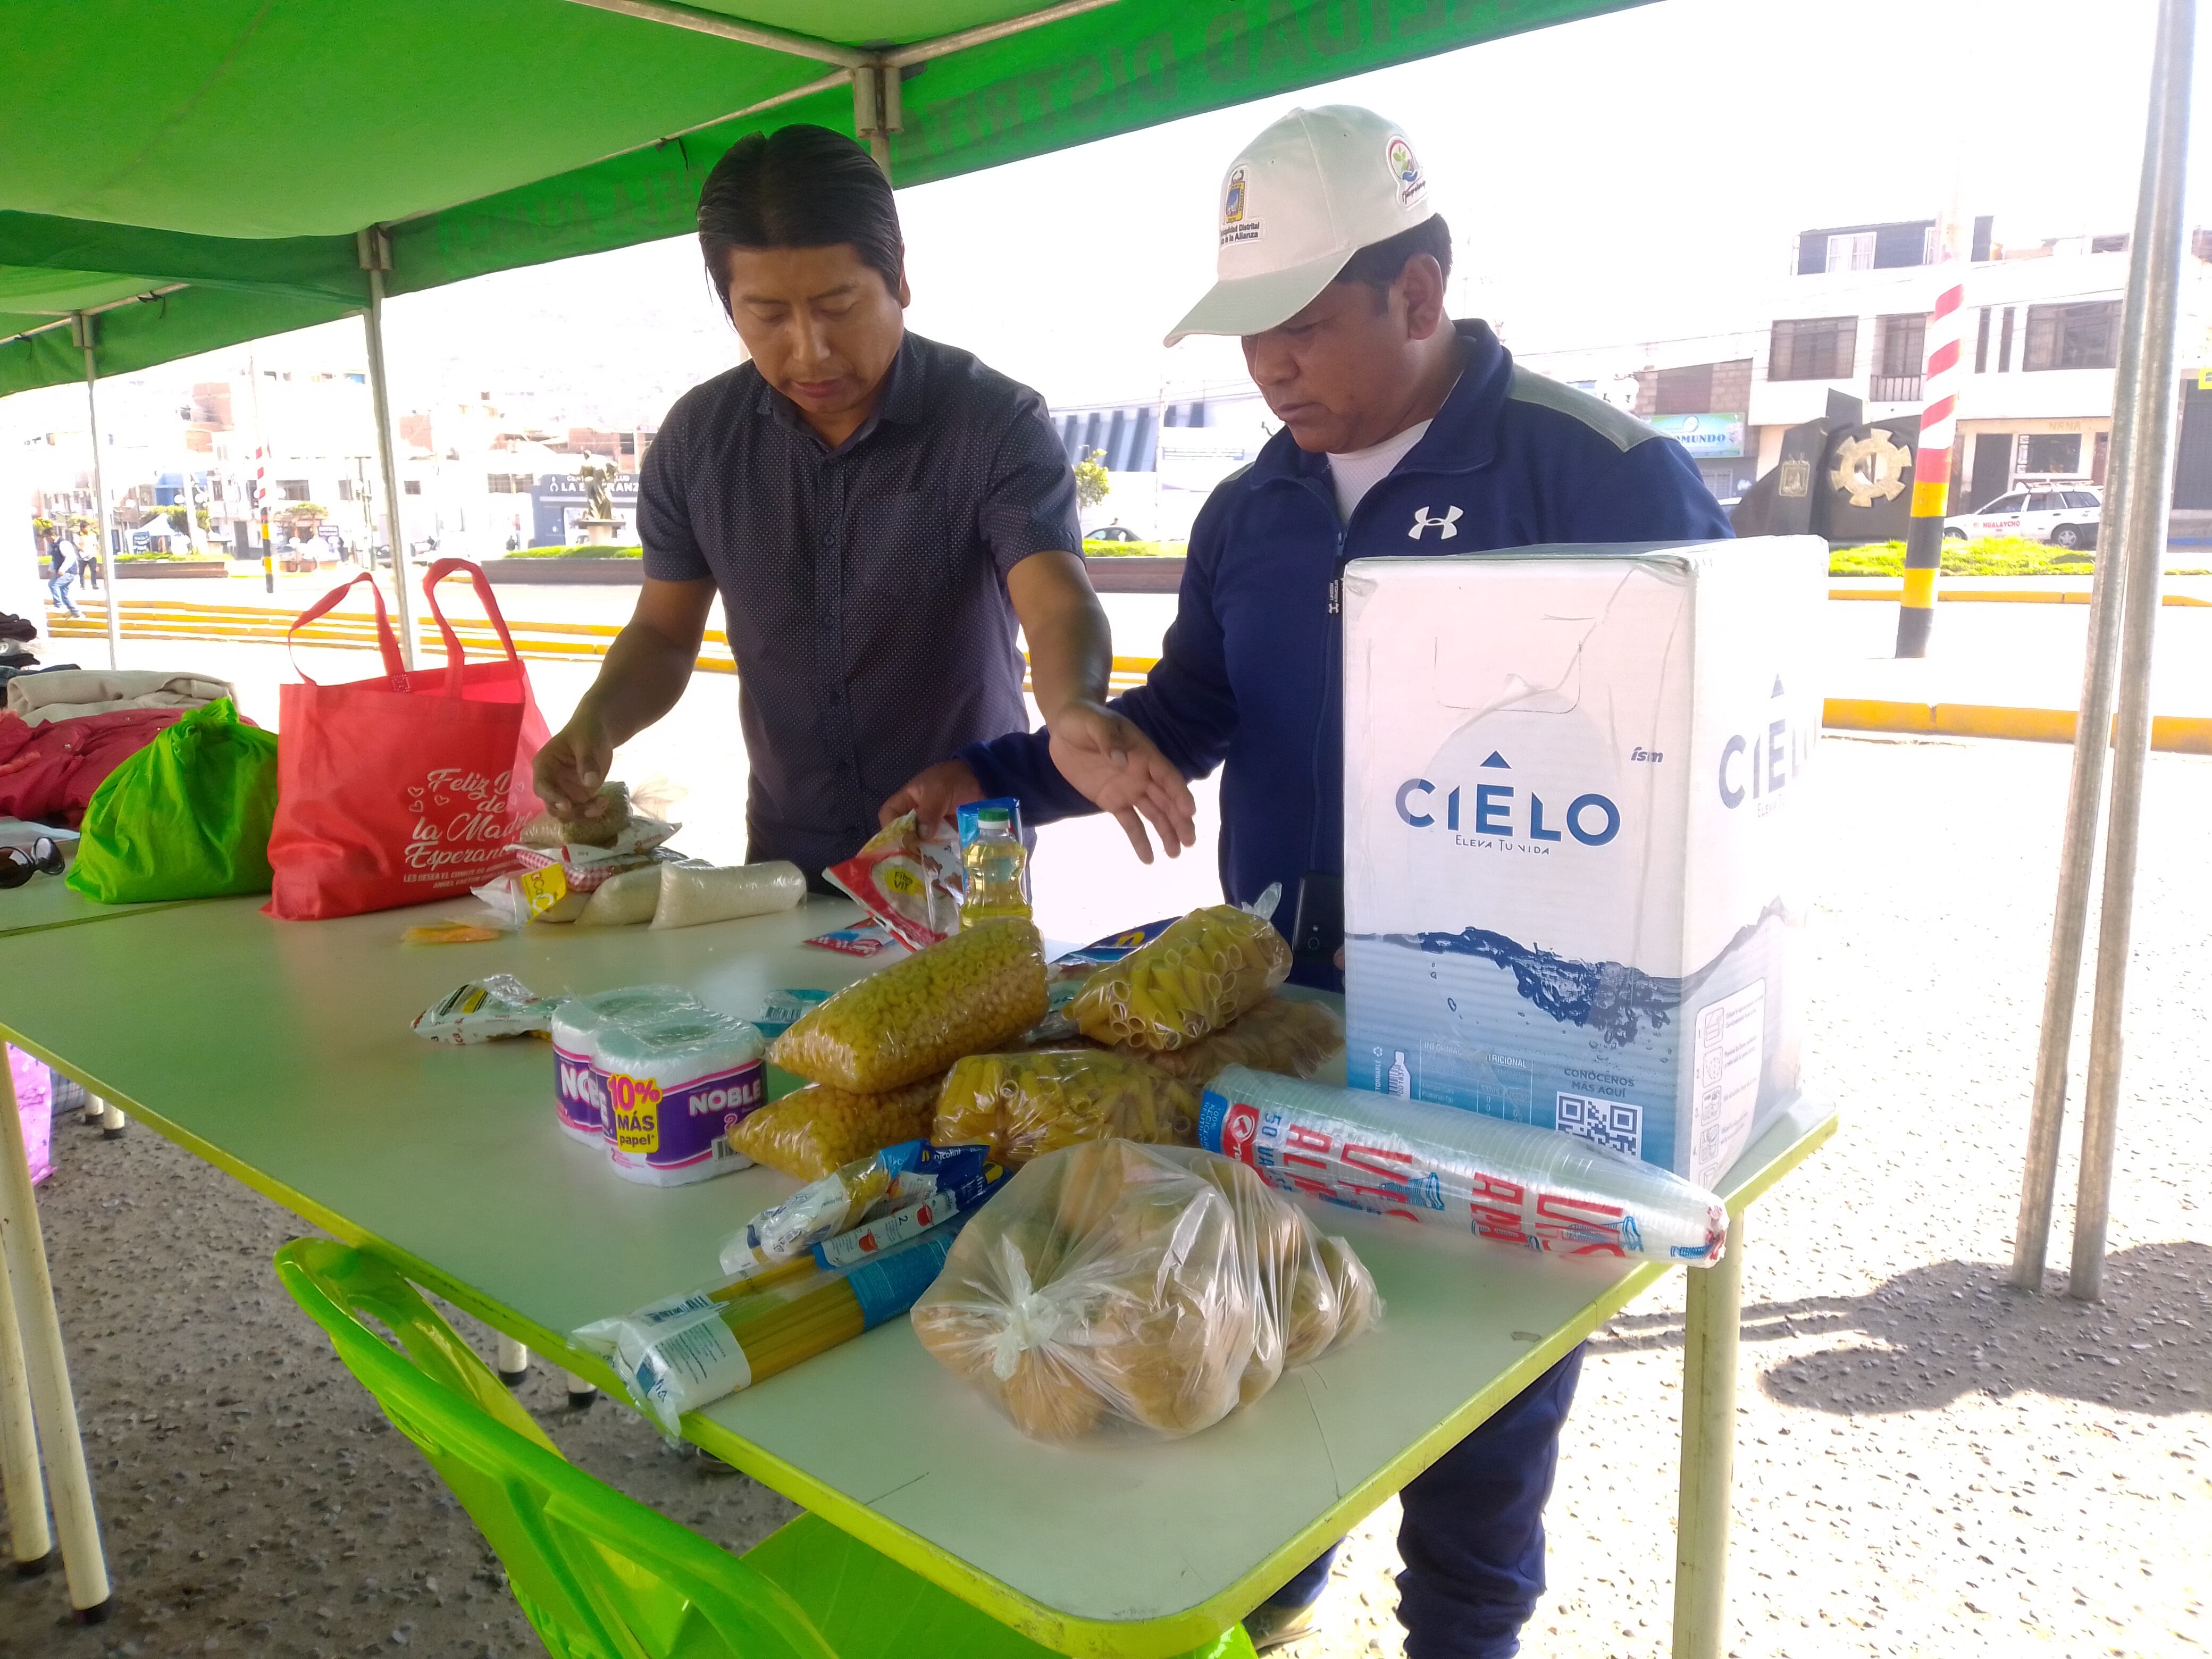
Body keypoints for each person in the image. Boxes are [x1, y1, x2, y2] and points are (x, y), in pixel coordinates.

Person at [886, 106, 1730, 1657]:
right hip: (1287, 1023)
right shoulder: (1251, 508)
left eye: (1299, 323)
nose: (1267, 367)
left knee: (1479, 1405)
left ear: (1421, 291)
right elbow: (1190, 712)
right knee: (1285, 1328)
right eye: (1245, 334)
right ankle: (1268, 1605)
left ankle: (1462, 1634)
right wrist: (1014, 765)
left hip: (1514, 1046)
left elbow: (1707, 794)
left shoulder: (1603, 475)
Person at [531, 124, 1180, 876]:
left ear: (899, 278)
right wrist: (598, 720)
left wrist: (1074, 707)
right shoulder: (698, 442)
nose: (809, 350)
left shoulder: (993, 422)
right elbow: (665, 635)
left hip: (960, 854)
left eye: (838, 305)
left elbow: (1056, 602)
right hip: (787, 856)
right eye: (768, 315)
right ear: (730, 305)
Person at [47, 530, 82, 618]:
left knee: (53, 584)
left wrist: (62, 569)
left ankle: (58, 605)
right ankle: (76, 613)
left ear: (53, 535)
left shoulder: (64, 544)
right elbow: (55, 559)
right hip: (65, 572)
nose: (47, 539)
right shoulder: (54, 545)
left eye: (47, 537)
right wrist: (51, 569)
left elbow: (71, 557)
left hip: (69, 572)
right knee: (65, 595)